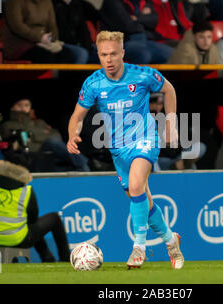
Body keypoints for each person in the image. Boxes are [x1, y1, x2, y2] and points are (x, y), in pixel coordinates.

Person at [66, 31, 184, 269]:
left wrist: (171, 123)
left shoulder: (142, 75)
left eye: (113, 54)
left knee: (137, 185)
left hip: (144, 139)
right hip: (118, 149)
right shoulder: (93, 83)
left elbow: (169, 89)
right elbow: (77, 116)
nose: (108, 60)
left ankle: (138, 249)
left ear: (122, 53)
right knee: (143, 201)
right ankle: (171, 240)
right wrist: (72, 134)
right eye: (103, 55)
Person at [0, 160, 71, 262]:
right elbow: (32, 219)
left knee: (30, 228)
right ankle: (65, 258)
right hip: (18, 239)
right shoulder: (26, 191)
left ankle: (48, 258)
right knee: (54, 218)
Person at [0, 96, 90, 172]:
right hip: (31, 157)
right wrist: (43, 135)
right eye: (20, 105)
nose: (23, 108)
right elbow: (22, 144)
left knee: (54, 143)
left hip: (50, 156)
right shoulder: (8, 125)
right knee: (51, 141)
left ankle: (84, 166)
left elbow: (57, 136)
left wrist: (32, 135)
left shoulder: (39, 122)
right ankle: (85, 165)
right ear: (12, 107)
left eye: (26, 105)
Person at [1, 0, 75, 63]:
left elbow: (52, 25)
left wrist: (51, 38)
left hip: (43, 42)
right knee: (46, 56)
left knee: (67, 55)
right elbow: (17, 25)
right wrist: (40, 38)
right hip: (20, 44)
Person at [100, 0, 174, 63]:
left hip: (143, 39)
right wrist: (143, 19)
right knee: (143, 54)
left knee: (172, 54)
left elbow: (154, 20)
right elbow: (127, 25)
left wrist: (137, 18)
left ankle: (156, 75)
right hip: (121, 42)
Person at [49, 0, 99, 64]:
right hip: (59, 43)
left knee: (106, 54)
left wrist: (88, 45)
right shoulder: (48, 0)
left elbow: (84, 27)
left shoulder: (78, 3)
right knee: (81, 54)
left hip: (81, 43)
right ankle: (76, 77)